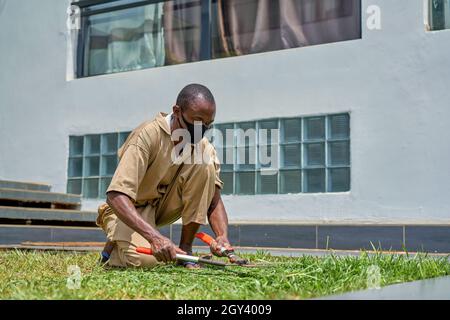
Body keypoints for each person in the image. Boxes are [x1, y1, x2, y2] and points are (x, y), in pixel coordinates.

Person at [96, 83, 237, 269]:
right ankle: (115, 246)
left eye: (207, 125)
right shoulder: (147, 135)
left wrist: (221, 236)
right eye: (196, 121)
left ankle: (186, 249)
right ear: (177, 111)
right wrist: (155, 237)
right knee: (146, 261)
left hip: (161, 209)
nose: (200, 130)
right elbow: (116, 196)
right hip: (126, 210)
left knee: (205, 164)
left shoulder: (203, 147)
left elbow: (213, 199)